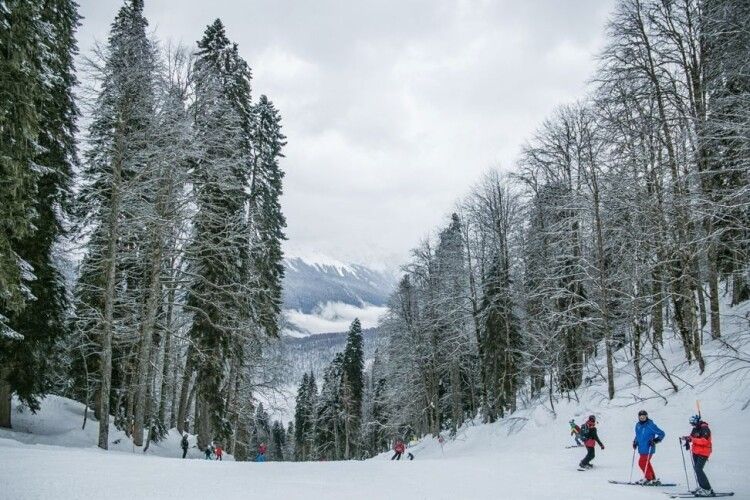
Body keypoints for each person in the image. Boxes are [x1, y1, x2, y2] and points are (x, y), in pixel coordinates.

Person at [683, 414, 713, 497]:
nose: (692, 425)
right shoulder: (695, 428)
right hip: (696, 451)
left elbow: (704, 441)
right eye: (691, 423)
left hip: (704, 452)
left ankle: (707, 489)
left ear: (697, 421)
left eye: (693, 423)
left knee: (698, 469)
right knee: (697, 469)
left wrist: (692, 439)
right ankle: (702, 487)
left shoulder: (705, 429)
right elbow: (692, 437)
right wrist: (687, 439)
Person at [632, 409, 666, 485]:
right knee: (646, 463)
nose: (642, 418)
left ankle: (648, 478)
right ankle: (653, 478)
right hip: (641, 448)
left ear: (646, 416)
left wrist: (655, 440)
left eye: (643, 417)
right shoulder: (637, 425)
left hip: (649, 447)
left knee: (641, 463)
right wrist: (635, 442)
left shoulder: (650, 425)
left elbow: (662, 433)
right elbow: (638, 435)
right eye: (640, 417)